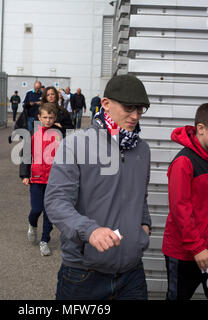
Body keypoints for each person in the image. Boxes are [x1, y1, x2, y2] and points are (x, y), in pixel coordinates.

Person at [45, 74, 152, 300]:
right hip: (83, 275)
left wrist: (144, 226)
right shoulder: (75, 145)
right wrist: (90, 230)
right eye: (129, 107)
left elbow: (140, 197)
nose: (135, 116)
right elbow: (56, 202)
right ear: (106, 104)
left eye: (140, 109)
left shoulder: (142, 149)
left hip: (132, 274)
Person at [162, 102, 208, 300]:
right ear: (201, 129)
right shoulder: (183, 162)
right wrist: (197, 248)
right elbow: (180, 210)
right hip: (184, 254)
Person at [20, 103, 62, 256]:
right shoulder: (33, 134)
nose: (48, 120)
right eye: (45, 117)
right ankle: (32, 224)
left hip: (53, 180)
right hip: (37, 179)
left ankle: (45, 240)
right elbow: (25, 155)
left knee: (49, 212)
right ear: (39, 118)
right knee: (36, 209)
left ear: (55, 118)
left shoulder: (59, 134)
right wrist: (24, 175)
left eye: (51, 117)